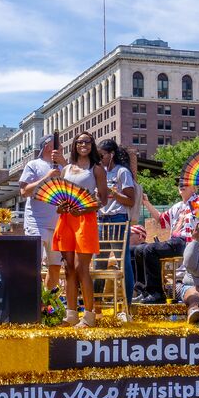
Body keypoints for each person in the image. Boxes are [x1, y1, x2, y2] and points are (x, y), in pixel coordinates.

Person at [53, 132, 109, 328]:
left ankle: (89, 316)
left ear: (92, 145)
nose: (83, 144)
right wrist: (60, 207)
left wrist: (83, 209)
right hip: (66, 219)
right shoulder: (66, 168)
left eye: (87, 141)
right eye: (79, 142)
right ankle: (71, 315)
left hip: (85, 220)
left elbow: (102, 199)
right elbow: (59, 196)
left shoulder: (97, 169)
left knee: (80, 267)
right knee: (68, 269)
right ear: (74, 146)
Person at [133, 178, 199, 304]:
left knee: (150, 249)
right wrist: (146, 202)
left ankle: (157, 293)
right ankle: (144, 291)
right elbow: (161, 219)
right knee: (139, 249)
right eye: (179, 183)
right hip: (174, 241)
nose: (181, 185)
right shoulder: (178, 206)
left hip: (188, 241)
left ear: (194, 187)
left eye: (185, 183)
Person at [18, 135, 67, 293]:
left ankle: (47, 302)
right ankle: (32, 300)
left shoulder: (65, 167)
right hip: (36, 223)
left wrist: (64, 164)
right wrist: (47, 177)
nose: (62, 146)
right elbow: (24, 192)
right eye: (57, 144)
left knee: (55, 266)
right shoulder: (33, 165)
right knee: (34, 264)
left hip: (59, 224)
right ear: (47, 146)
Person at [97, 139, 136, 302]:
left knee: (122, 260)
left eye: (102, 155)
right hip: (101, 218)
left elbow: (130, 200)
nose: (99, 158)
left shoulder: (122, 172)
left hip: (118, 218)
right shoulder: (100, 171)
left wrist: (113, 192)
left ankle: (127, 302)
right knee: (99, 260)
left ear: (111, 155)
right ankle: (96, 303)